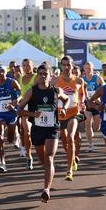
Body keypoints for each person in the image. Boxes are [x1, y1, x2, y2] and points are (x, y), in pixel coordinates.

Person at [19, 63, 69, 202]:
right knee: (44, 161)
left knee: (49, 158)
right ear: (37, 76)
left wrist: (64, 108)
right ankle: (49, 171)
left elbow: (66, 99)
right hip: (37, 129)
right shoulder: (31, 91)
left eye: (45, 74)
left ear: (50, 75)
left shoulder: (56, 91)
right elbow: (19, 110)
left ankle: (46, 189)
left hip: (52, 128)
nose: (42, 76)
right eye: (40, 74)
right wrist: (32, 114)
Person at [52, 56, 85, 181]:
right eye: (64, 65)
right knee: (64, 140)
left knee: (71, 137)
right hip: (60, 114)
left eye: (68, 65)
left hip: (73, 113)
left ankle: (69, 170)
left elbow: (82, 96)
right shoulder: (54, 81)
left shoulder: (79, 81)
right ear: (61, 66)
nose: (66, 67)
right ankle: (71, 159)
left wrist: (82, 103)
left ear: (72, 66)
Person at [0, 65, 21, 173]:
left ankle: (15, 136)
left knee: (9, 138)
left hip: (11, 112)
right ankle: (2, 162)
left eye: (2, 71)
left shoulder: (12, 82)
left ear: (5, 72)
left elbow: (20, 92)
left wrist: (15, 101)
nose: (0, 73)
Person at [18, 59, 37, 170]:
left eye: (28, 65)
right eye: (24, 65)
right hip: (25, 107)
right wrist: (18, 99)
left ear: (32, 66)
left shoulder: (36, 77)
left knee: (39, 133)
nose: (26, 67)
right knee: (27, 132)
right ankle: (29, 157)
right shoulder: (20, 78)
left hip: (36, 107)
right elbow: (22, 94)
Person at [83, 62, 104, 152]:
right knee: (88, 123)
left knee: (96, 127)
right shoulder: (82, 79)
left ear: (93, 68)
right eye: (86, 68)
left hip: (96, 104)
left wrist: (99, 98)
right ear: (84, 69)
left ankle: (92, 129)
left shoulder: (98, 78)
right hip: (87, 104)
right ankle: (90, 144)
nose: (88, 70)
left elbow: (104, 89)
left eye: (89, 68)